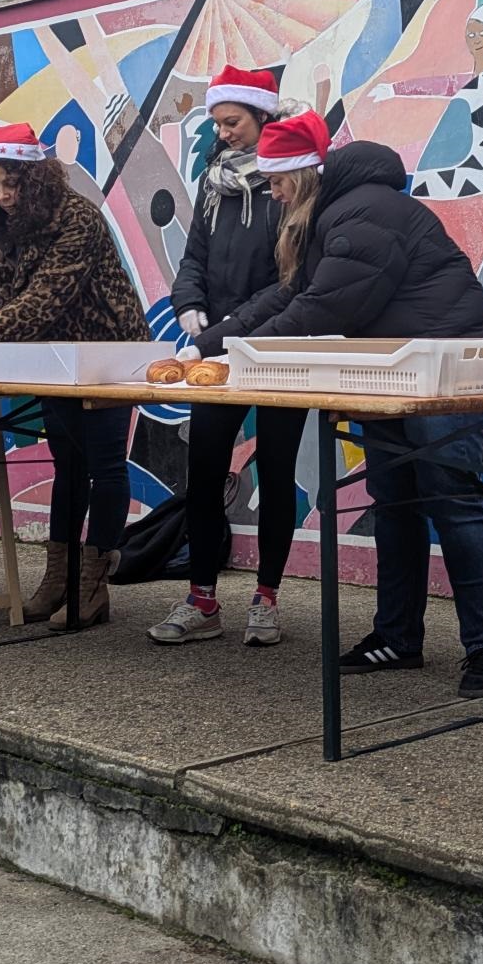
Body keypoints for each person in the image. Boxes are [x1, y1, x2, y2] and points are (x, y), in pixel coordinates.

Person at [189, 111, 483, 697]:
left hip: (446, 371)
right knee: (396, 504)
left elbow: (323, 311)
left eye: (280, 183)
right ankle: (397, 636)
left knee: (455, 504)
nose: (275, 195)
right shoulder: (333, 217)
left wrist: (241, 353)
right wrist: (212, 344)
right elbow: (292, 294)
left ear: (304, 176)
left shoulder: (361, 213)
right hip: (396, 373)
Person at [0, 123, 152, 629]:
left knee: (105, 465)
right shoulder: (0, 231)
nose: (3, 196)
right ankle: (58, 578)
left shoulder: (78, 220)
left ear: (37, 179)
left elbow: (46, 296)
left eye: (13, 184)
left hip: (111, 354)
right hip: (55, 361)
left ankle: (92, 583)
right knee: (68, 463)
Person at [155, 67, 308, 647]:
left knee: (277, 470)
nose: (224, 133)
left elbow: (289, 280)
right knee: (203, 471)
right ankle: (202, 599)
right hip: (215, 346)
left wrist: (218, 331)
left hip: (276, 346)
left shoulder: (289, 184)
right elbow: (194, 254)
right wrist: (188, 303)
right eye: (219, 123)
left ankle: (266, 598)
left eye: (234, 122)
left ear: (262, 118)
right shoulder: (211, 181)